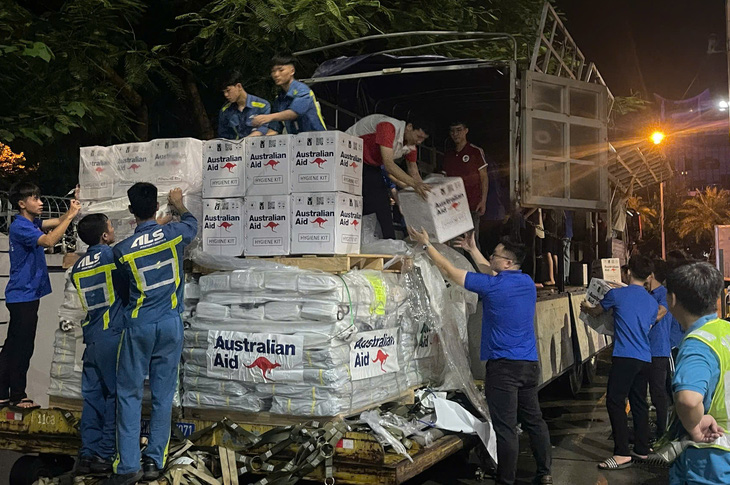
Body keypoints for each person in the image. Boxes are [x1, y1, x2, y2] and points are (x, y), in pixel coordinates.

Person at [407, 228, 552, 485]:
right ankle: (544, 473)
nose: (491, 258)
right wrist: (472, 250)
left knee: (506, 429)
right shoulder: (526, 282)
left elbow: (451, 272)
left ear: (507, 263)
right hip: (529, 366)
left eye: (495, 255)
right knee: (534, 421)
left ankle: (505, 481)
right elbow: (491, 273)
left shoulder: (493, 287)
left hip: (504, 370)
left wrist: (427, 245)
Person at [105, 184, 197, 485]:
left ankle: (128, 465)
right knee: (162, 395)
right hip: (170, 323)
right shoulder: (173, 234)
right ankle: (155, 459)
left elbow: (120, 291)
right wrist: (179, 205)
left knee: (129, 395)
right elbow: (192, 226)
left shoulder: (121, 251)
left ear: (131, 211)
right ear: (158, 206)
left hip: (139, 325)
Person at [0, 182, 80, 409]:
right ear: (21, 203)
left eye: (40, 197)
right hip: (23, 296)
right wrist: (71, 215)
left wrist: (72, 208)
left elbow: (56, 221)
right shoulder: (21, 227)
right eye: (35, 198)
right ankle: (18, 395)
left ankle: (3, 393)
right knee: (22, 347)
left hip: (24, 295)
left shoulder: (30, 222)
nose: (41, 202)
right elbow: (49, 240)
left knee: (12, 345)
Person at [581, 255, 658, 470]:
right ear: (648, 277)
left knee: (615, 401)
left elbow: (597, 310)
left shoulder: (617, 294)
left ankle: (622, 452)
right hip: (645, 357)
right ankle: (642, 449)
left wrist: (586, 306)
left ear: (628, 273)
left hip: (625, 355)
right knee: (639, 402)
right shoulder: (652, 302)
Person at [71, 214, 126, 475]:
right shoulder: (111, 256)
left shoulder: (79, 266)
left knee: (92, 398)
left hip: (91, 337)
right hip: (111, 335)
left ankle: (87, 454)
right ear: (104, 235)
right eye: (111, 226)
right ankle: (105, 454)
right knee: (115, 396)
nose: (114, 230)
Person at [665, 261, 729, 484]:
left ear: (672, 299)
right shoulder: (726, 332)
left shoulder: (698, 344)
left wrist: (694, 426)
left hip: (711, 459)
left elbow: (689, 400)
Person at [346, 114, 431, 239]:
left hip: (372, 165)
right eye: (418, 136)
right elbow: (389, 164)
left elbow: (414, 172)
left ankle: (386, 244)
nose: (419, 142)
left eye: (422, 139)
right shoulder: (388, 126)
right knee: (376, 204)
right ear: (409, 127)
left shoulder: (411, 146)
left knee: (382, 206)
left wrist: (424, 195)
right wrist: (415, 185)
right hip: (350, 158)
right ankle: (384, 243)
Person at [251, 55, 326, 135]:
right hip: (296, 142)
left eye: (281, 70)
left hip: (317, 139)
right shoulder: (279, 98)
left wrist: (268, 117)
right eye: (273, 71)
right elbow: (275, 128)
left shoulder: (303, 90)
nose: (276, 74)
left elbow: (293, 113)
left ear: (292, 71)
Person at [442, 121, 488, 248]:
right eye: (452, 131)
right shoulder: (448, 155)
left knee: (471, 242)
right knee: (455, 243)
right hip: (453, 207)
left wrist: (483, 200)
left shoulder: (475, 151)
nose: (455, 134)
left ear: (466, 131)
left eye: (459, 130)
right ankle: (459, 267)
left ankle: (476, 267)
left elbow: (484, 177)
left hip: (472, 204)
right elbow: (444, 180)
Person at [646, 259, 671, 441]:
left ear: (651, 275)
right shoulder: (648, 294)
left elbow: (660, 313)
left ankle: (663, 430)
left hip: (659, 350)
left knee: (658, 392)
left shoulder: (663, 293)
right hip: (645, 350)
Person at [217, 72, 272, 139]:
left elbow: (264, 129)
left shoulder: (262, 105)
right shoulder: (225, 110)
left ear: (239, 86)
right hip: (234, 147)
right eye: (224, 92)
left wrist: (244, 142)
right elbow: (223, 136)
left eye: (228, 91)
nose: (226, 95)